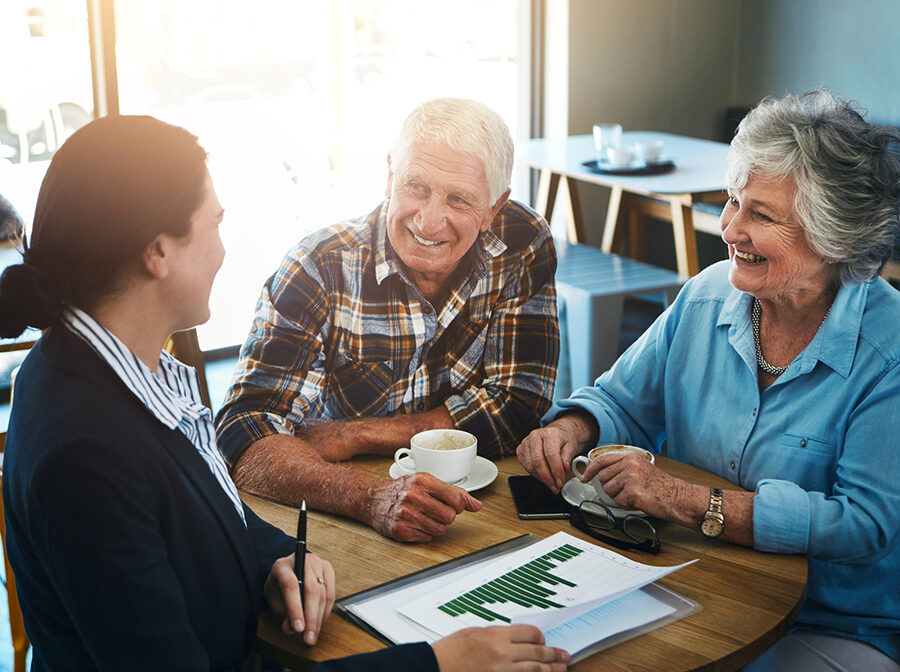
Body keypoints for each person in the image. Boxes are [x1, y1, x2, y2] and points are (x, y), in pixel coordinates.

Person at [0, 115, 570, 672]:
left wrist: (269, 558)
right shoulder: (87, 453)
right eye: (216, 224)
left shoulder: (113, 374)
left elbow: (206, 511)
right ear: (158, 252)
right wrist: (437, 663)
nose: (225, 250)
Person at [517, 90, 900, 672]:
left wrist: (685, 500)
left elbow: (864, 525)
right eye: (731, 201)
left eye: (760, 215)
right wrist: (575, 424)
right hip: (694, 582)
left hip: (832, 621)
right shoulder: (707, 294)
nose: (728, 228)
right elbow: (621, 400)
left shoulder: (888, 353)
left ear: (834, 237)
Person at [216, 98, 559, 543]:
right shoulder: (318, 266)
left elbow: (520, 401)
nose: (429, 220)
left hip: (479, 505)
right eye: (416, 187)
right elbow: (245, 433)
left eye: (458, 199)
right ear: (390, 175)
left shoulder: (522, 241)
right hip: (336, 506)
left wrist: (355, 435)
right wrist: (373, 498)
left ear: (495, 207)